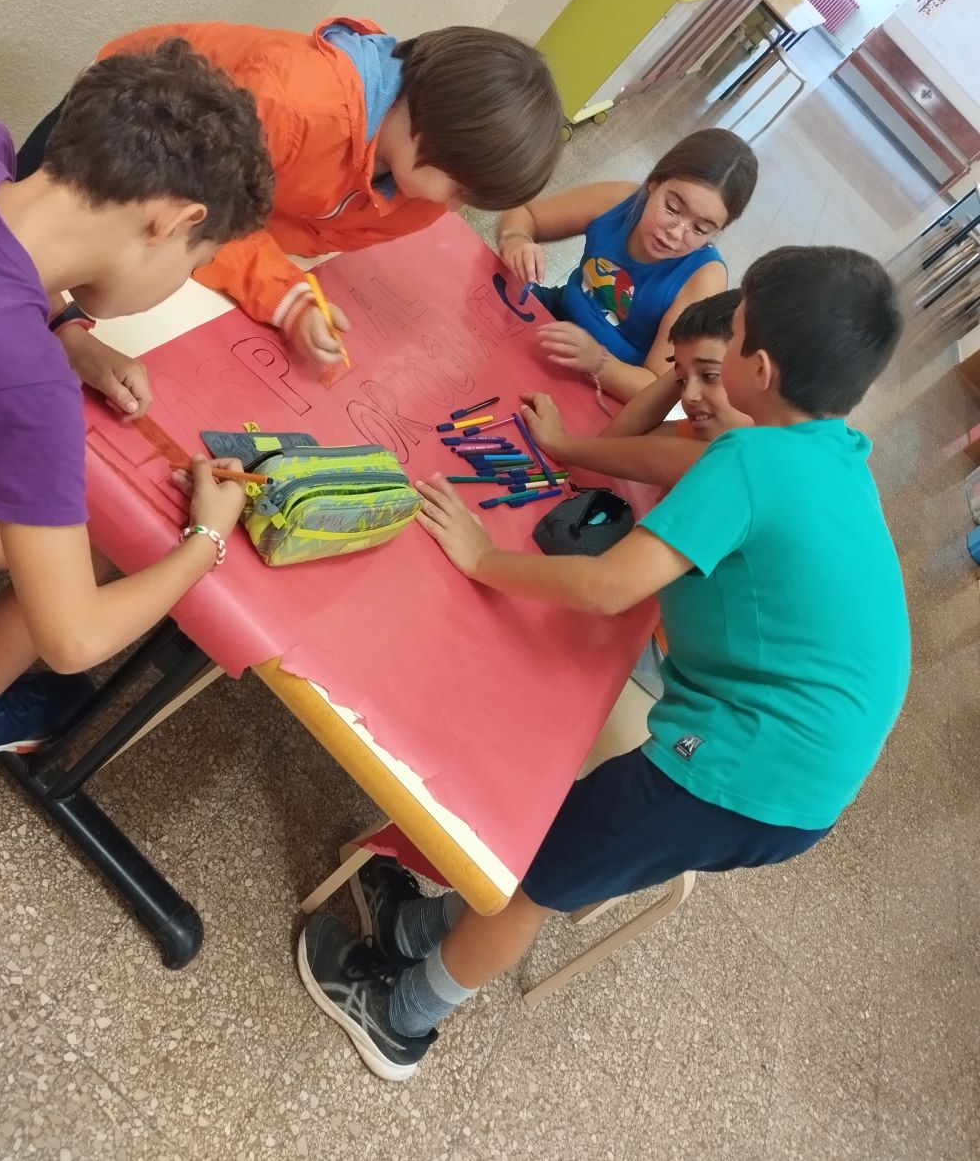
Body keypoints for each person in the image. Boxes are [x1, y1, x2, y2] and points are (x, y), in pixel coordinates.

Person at [296, 245, 910, 1081]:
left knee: (538, 877)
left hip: (745, 768)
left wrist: (482, 558)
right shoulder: (830, 453)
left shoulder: (754, 459)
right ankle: (419, 929)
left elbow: (607, 586)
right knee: (558, 846)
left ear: (759, 369)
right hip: (796, 770)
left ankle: (401, 1018)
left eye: (733, 334)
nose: (719, 350)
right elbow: (663, 470)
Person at [17, 18, 564, 418]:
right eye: (461, 189)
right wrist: (283, 293)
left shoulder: (413, 182)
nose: (455, 209)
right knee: (30, 298)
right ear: (434, 136)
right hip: (109, 156)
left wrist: (69, 332)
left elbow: (266, 221)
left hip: (161, 234)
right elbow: (205, 218)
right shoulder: (294, 105)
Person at [0, 39, 274, 758]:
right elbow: (73, 637)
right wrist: (203, 541)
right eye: (196, 262)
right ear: (173, 222)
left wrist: (67, 331)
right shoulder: (32, 390)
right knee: (107, 534)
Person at [497, 129, 757, 404]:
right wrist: (517, 240)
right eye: (672, 208)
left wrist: (598, 361)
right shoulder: (619, 200)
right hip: (554, 314)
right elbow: (524, 214)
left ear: (716, 232)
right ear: (654, 182)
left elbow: (656, 389)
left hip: (611, 381)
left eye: (700, 229)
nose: (676, 232)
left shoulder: (703, 279)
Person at [523, 287, 751, 491]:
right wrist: (686, 366)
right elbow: (613, 444)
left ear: (762, 373)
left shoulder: (751, 460)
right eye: (681, 381)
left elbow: (642, 454)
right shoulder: (703, 431)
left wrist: (559, 443)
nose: (688, 396)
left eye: (710, 376)